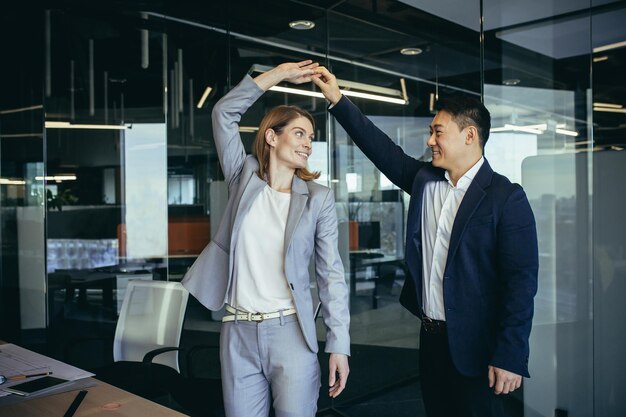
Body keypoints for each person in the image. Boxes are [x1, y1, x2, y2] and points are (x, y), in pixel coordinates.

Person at [313, 67, 538, 417]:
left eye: (438, 132)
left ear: (469, 135)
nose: (430, 141)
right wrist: (338, 99)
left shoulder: (505, 197)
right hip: (431, 342)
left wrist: (511, 353)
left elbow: (521, 282)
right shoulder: (424, 180)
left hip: (479, 347)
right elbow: (381, 148)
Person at [182, 61, 350, 417]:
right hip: (237, 330)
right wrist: (278, 75)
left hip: (290, 331)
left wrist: (339, 345)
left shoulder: (318, 198)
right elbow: (223, 113)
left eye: (311, 136)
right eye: (300, 133)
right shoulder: (242, 178)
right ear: (272, 136)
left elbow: (331, 274)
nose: (308, 143)